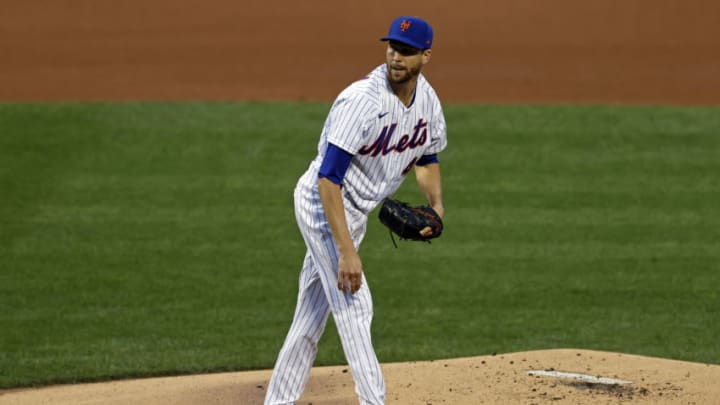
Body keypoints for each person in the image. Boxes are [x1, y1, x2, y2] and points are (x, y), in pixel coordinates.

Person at [264, 16, 447, 405]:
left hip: (355, 213)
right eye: (392, 48)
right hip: (322, 205)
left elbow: (427, 158)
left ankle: (277, 401)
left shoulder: (427, 102)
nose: (396, 57)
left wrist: (437, 208)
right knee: (354, 306)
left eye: (407, 51)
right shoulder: (361, 101)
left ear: (425, 56)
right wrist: (347, 251)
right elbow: (328, 179)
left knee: (311, 316)